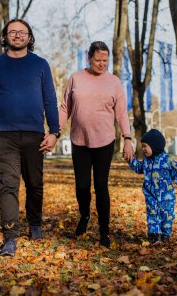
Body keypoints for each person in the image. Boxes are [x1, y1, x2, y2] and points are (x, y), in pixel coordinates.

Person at [0, 18, 60, 257]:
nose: (17, 35)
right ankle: (10, 236)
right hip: (5, 135)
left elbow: (50, 101)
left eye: (22, 32)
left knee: (35, 183)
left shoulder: (41, 65)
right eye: (12, 32)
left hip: (35, 135)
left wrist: (54, 132)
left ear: (30, 37)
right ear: (5, 37)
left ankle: (35, 224)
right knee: (8, 185)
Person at [59, 41, 133, 248]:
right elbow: (66, 108)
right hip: (79, 141)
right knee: (82, 186)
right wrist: (55, 132)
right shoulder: (76, 78)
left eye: (105, 61)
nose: (102, 64)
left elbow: (121, 113)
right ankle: (84, 216)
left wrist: (127, 139)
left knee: (101, 186)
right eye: (98, 60)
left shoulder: (114, 82)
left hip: (104, 142)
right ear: (89, 58)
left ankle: (104, 231)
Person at [126, 129, 177, 244]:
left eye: (145, 146)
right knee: (152, 215)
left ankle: (165, 234)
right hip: (151, 195)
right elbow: (138, 168)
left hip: (166, 197)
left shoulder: (167, 160)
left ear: (154, 146)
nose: (143, 149)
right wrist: (130, 160)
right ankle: (154, 235)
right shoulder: (146, 161)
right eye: (143, 146)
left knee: (167, 216)